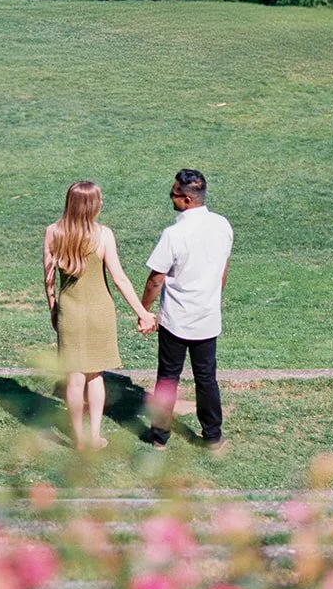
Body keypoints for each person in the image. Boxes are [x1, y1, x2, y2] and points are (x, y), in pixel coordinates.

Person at [43, 180, 154, 451]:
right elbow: (120, 280)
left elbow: (47, 280)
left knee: (74, 378)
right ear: (95, 205)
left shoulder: (53, 232)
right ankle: (94, 436)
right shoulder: (103, 235)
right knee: (95, 377)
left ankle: (79, 440)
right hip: (99, 312)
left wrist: (54, 309)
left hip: (70, 310)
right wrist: (143, 313)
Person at [139, 169, 233, 450]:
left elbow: (156, 279)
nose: (171, 198)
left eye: (174, 194)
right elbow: (223, 270)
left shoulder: (174, 234)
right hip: (207, 317)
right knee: (207, 378)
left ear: (188, 200)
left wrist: (144, 310)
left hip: (176, 319)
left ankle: (159, 438)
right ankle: (213, 435)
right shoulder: (222, 226)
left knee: (168, 377)